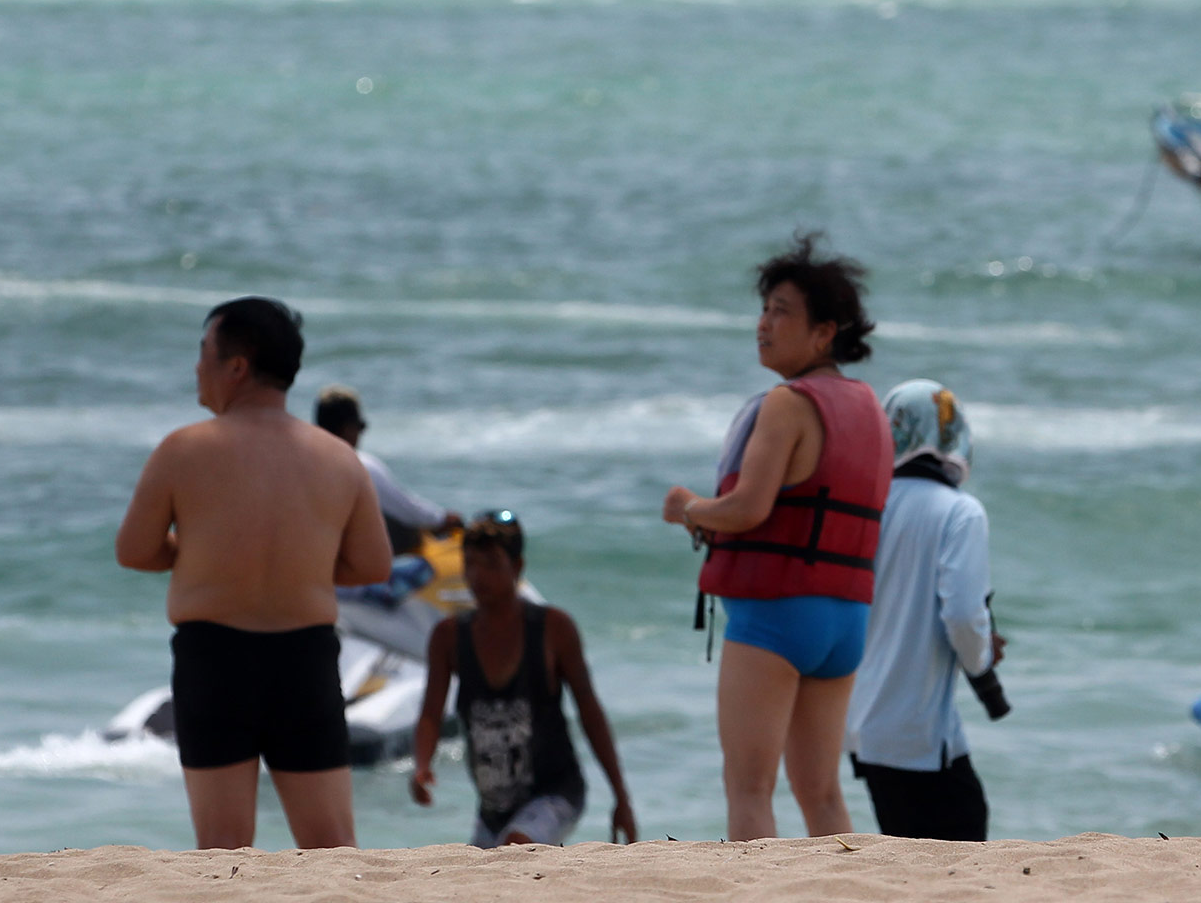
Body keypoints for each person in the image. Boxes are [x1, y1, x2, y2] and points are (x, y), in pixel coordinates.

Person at [115, 297, 392, 849]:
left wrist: (203, 552)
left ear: (236, 366)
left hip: (214, 659)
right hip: (304, 660)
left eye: (203, 353)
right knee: (332, 849)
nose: (197, 367)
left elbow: (135, 550)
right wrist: (302, 563)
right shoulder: (338, 458)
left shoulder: (183, 450)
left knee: (222, 852)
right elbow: (372, 564)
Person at [662, 233, 891, 841]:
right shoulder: (869, 405)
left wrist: (689, 508)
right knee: (821, 795)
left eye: (781, 312)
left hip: (777, 619)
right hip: (844, 623)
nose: (763, 324)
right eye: (763, 310)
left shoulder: (788, 404)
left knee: (748, 789)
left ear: (824, 332)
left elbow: (745, 508)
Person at [410, 512, 637, 847]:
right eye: (470, 563)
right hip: (492, 808)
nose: (477, 575)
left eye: (490, 563)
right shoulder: (449, 637)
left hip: (556, 792)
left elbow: (590, 712)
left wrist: (621, 797)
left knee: (516, 846)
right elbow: (431, 712)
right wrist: (422, 765)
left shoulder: (553, 629)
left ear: (517, 567)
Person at [845, 379, 1007, 841]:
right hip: (917, 731)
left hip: (864, 725)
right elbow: (961, 614)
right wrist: (983, 657)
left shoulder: (866, 508)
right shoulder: (960, 513)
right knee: (964, 840)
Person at [314, 385, 462, 556]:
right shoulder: (361, 466)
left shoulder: (305, 466)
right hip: (355, 561)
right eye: (361, 426)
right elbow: (407, 509)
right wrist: (443, 519)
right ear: (347, 428)